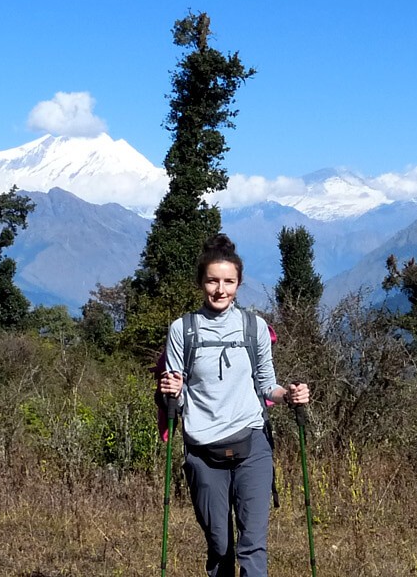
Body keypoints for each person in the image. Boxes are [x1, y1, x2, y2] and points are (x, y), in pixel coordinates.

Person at [156, 233, 311, 577]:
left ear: (239, 283)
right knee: (220, 548)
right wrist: (173, 389)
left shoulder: (254, 326)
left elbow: (267, 385)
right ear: (201, 282)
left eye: (228, 281)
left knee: (252, 548)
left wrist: (290, 395)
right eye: (213, 281)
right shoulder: (182, 330)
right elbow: (176, 394)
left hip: (252, 444)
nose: (220, 290)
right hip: (202, 450)